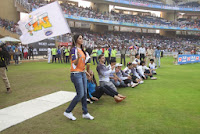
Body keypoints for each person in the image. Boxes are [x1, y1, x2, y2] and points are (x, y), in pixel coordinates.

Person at [64, 34, 94, 121]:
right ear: (76, 40)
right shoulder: (74, 50)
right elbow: (75, 63)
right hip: (76, 74)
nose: (82, 40)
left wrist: (86, 72)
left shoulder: (82, 50)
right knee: (80, 94)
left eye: (82, 38)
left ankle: (85, 113)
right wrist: (78, 57)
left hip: (82, 73)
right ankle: (68, 111)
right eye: (80, 38)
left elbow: (82, 64)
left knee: (84, 94)